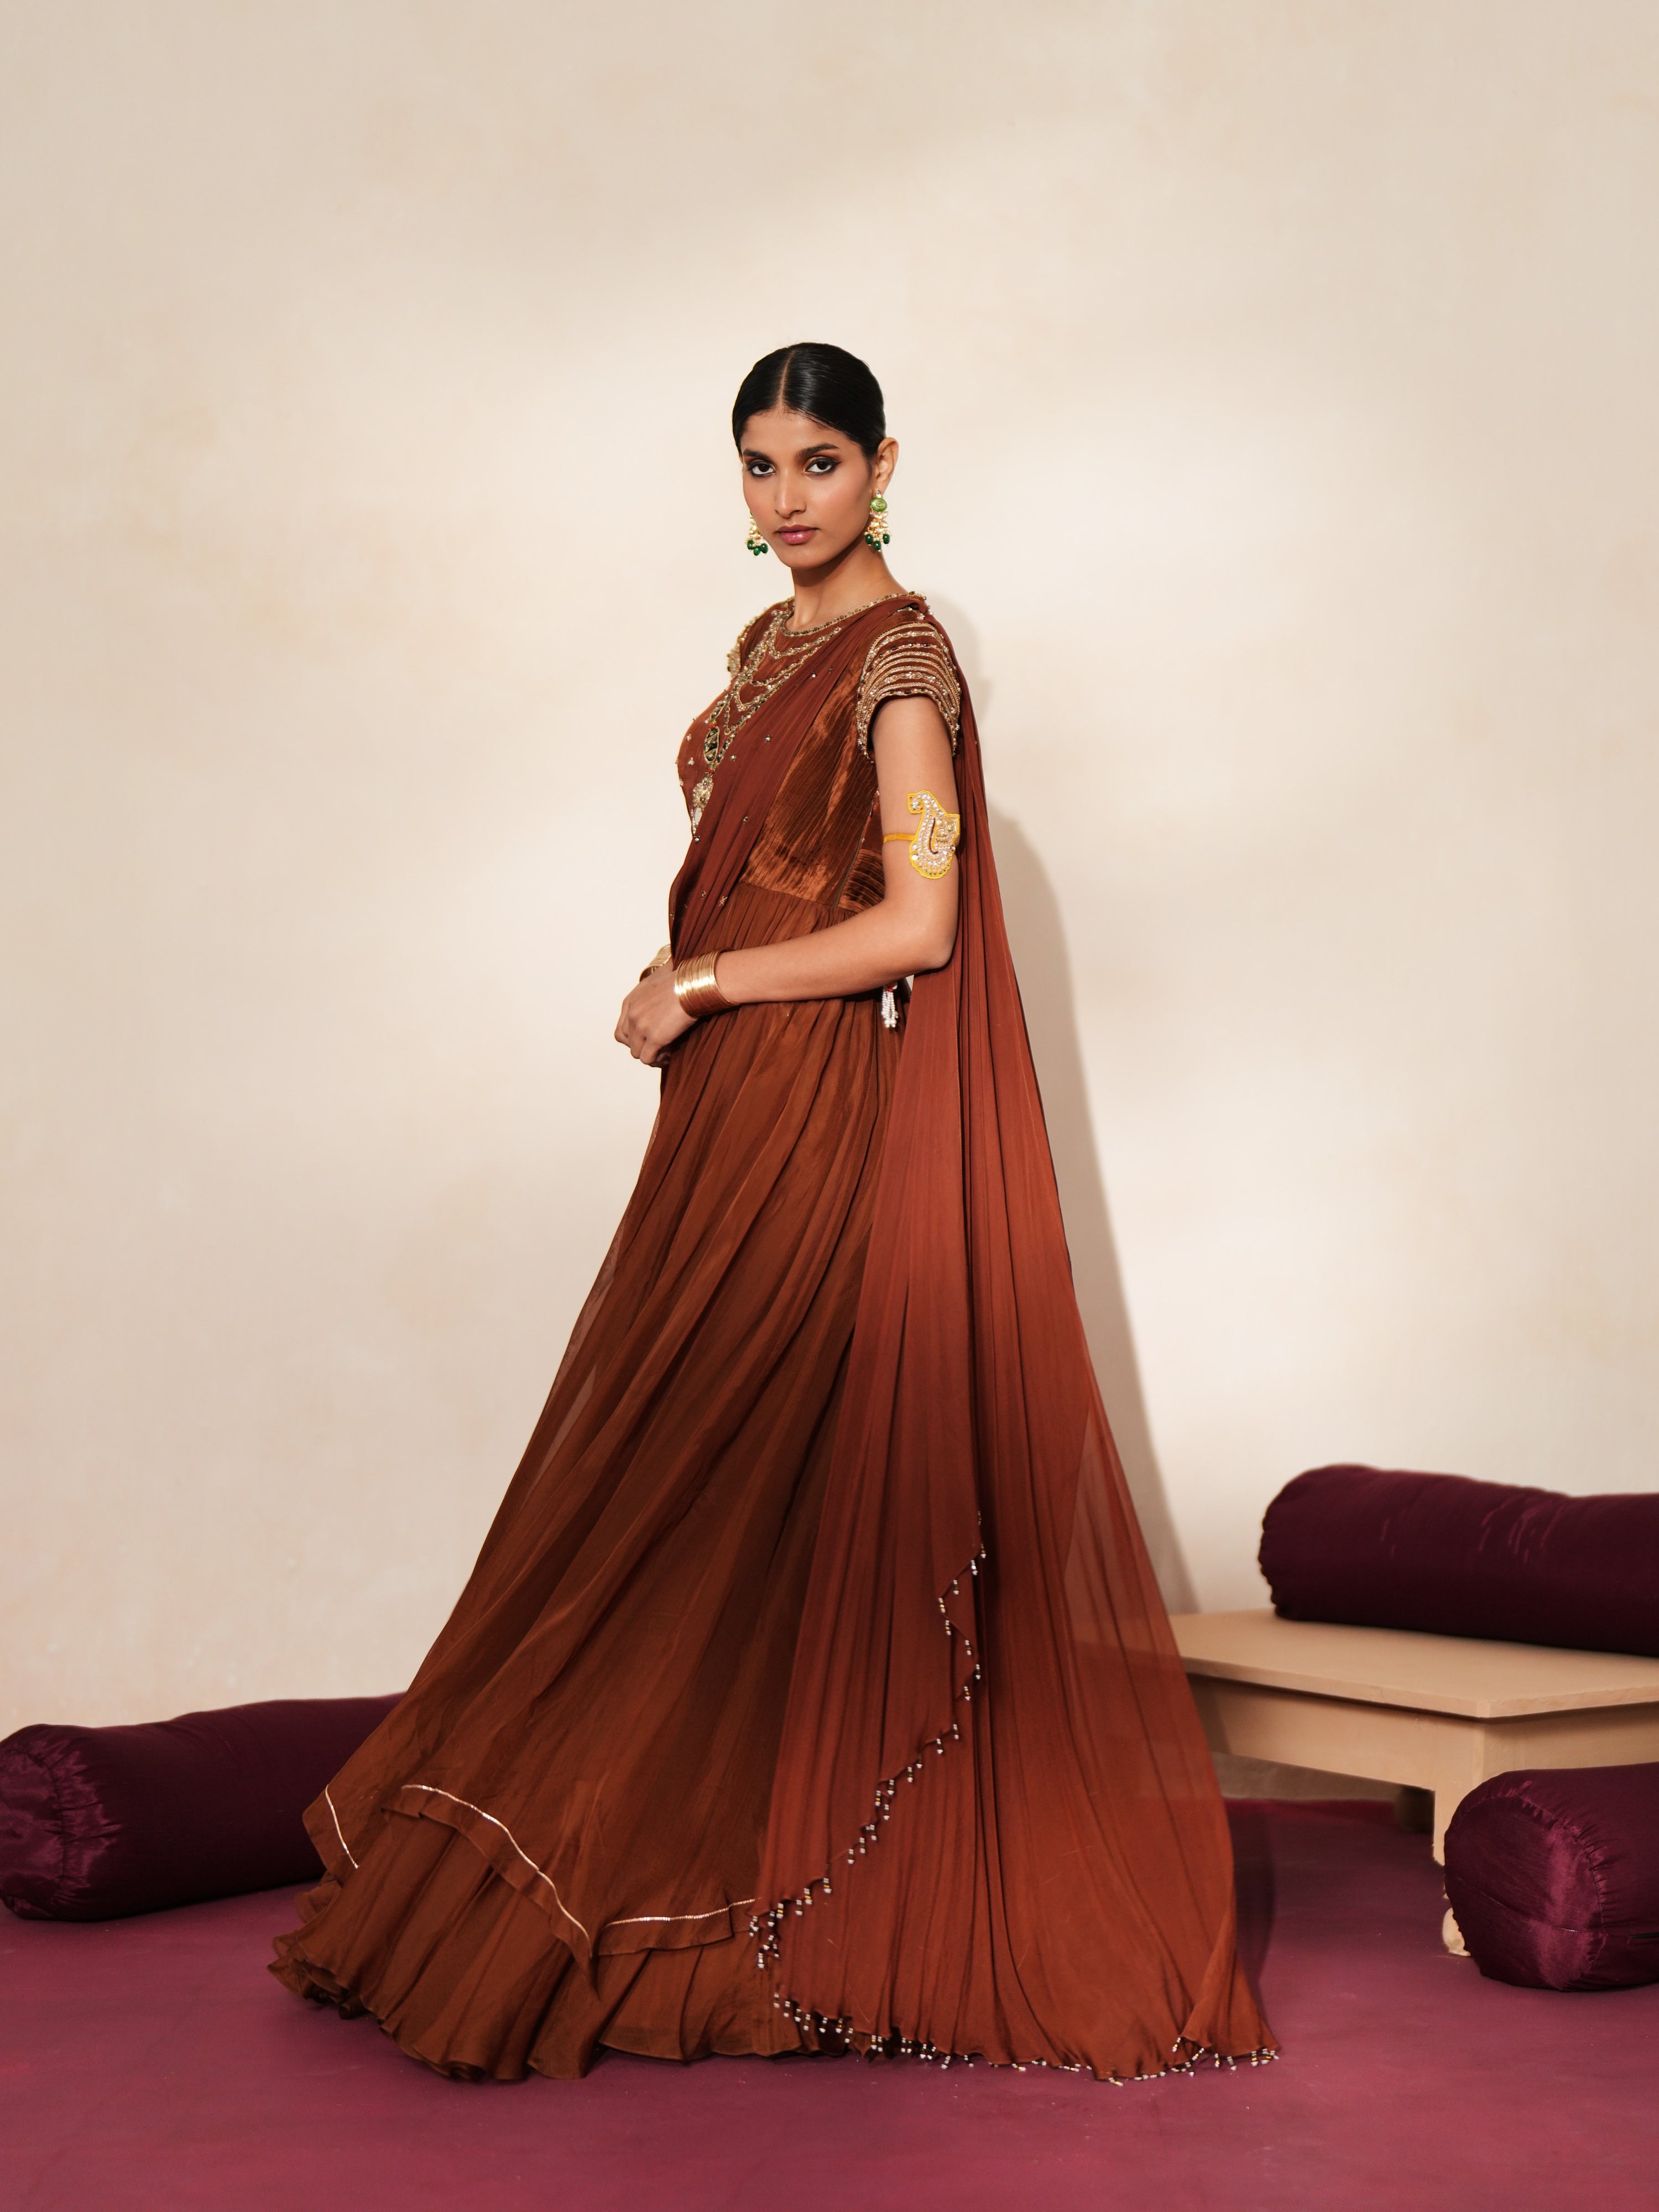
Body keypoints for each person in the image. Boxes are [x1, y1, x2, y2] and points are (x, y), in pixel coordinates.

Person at [272, 342, 1275, 2084]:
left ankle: (753, 1900)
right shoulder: (770, 645)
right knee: (688, 1481)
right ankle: (702, 1865)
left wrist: (709, 978)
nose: (787, 495)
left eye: (819, 461)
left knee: (710, 1477)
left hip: (811, 1106)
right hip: (726, 1104)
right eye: (758, 465)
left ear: (887, 466)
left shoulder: (902, 660)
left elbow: (920, 932)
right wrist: (698, 1004)